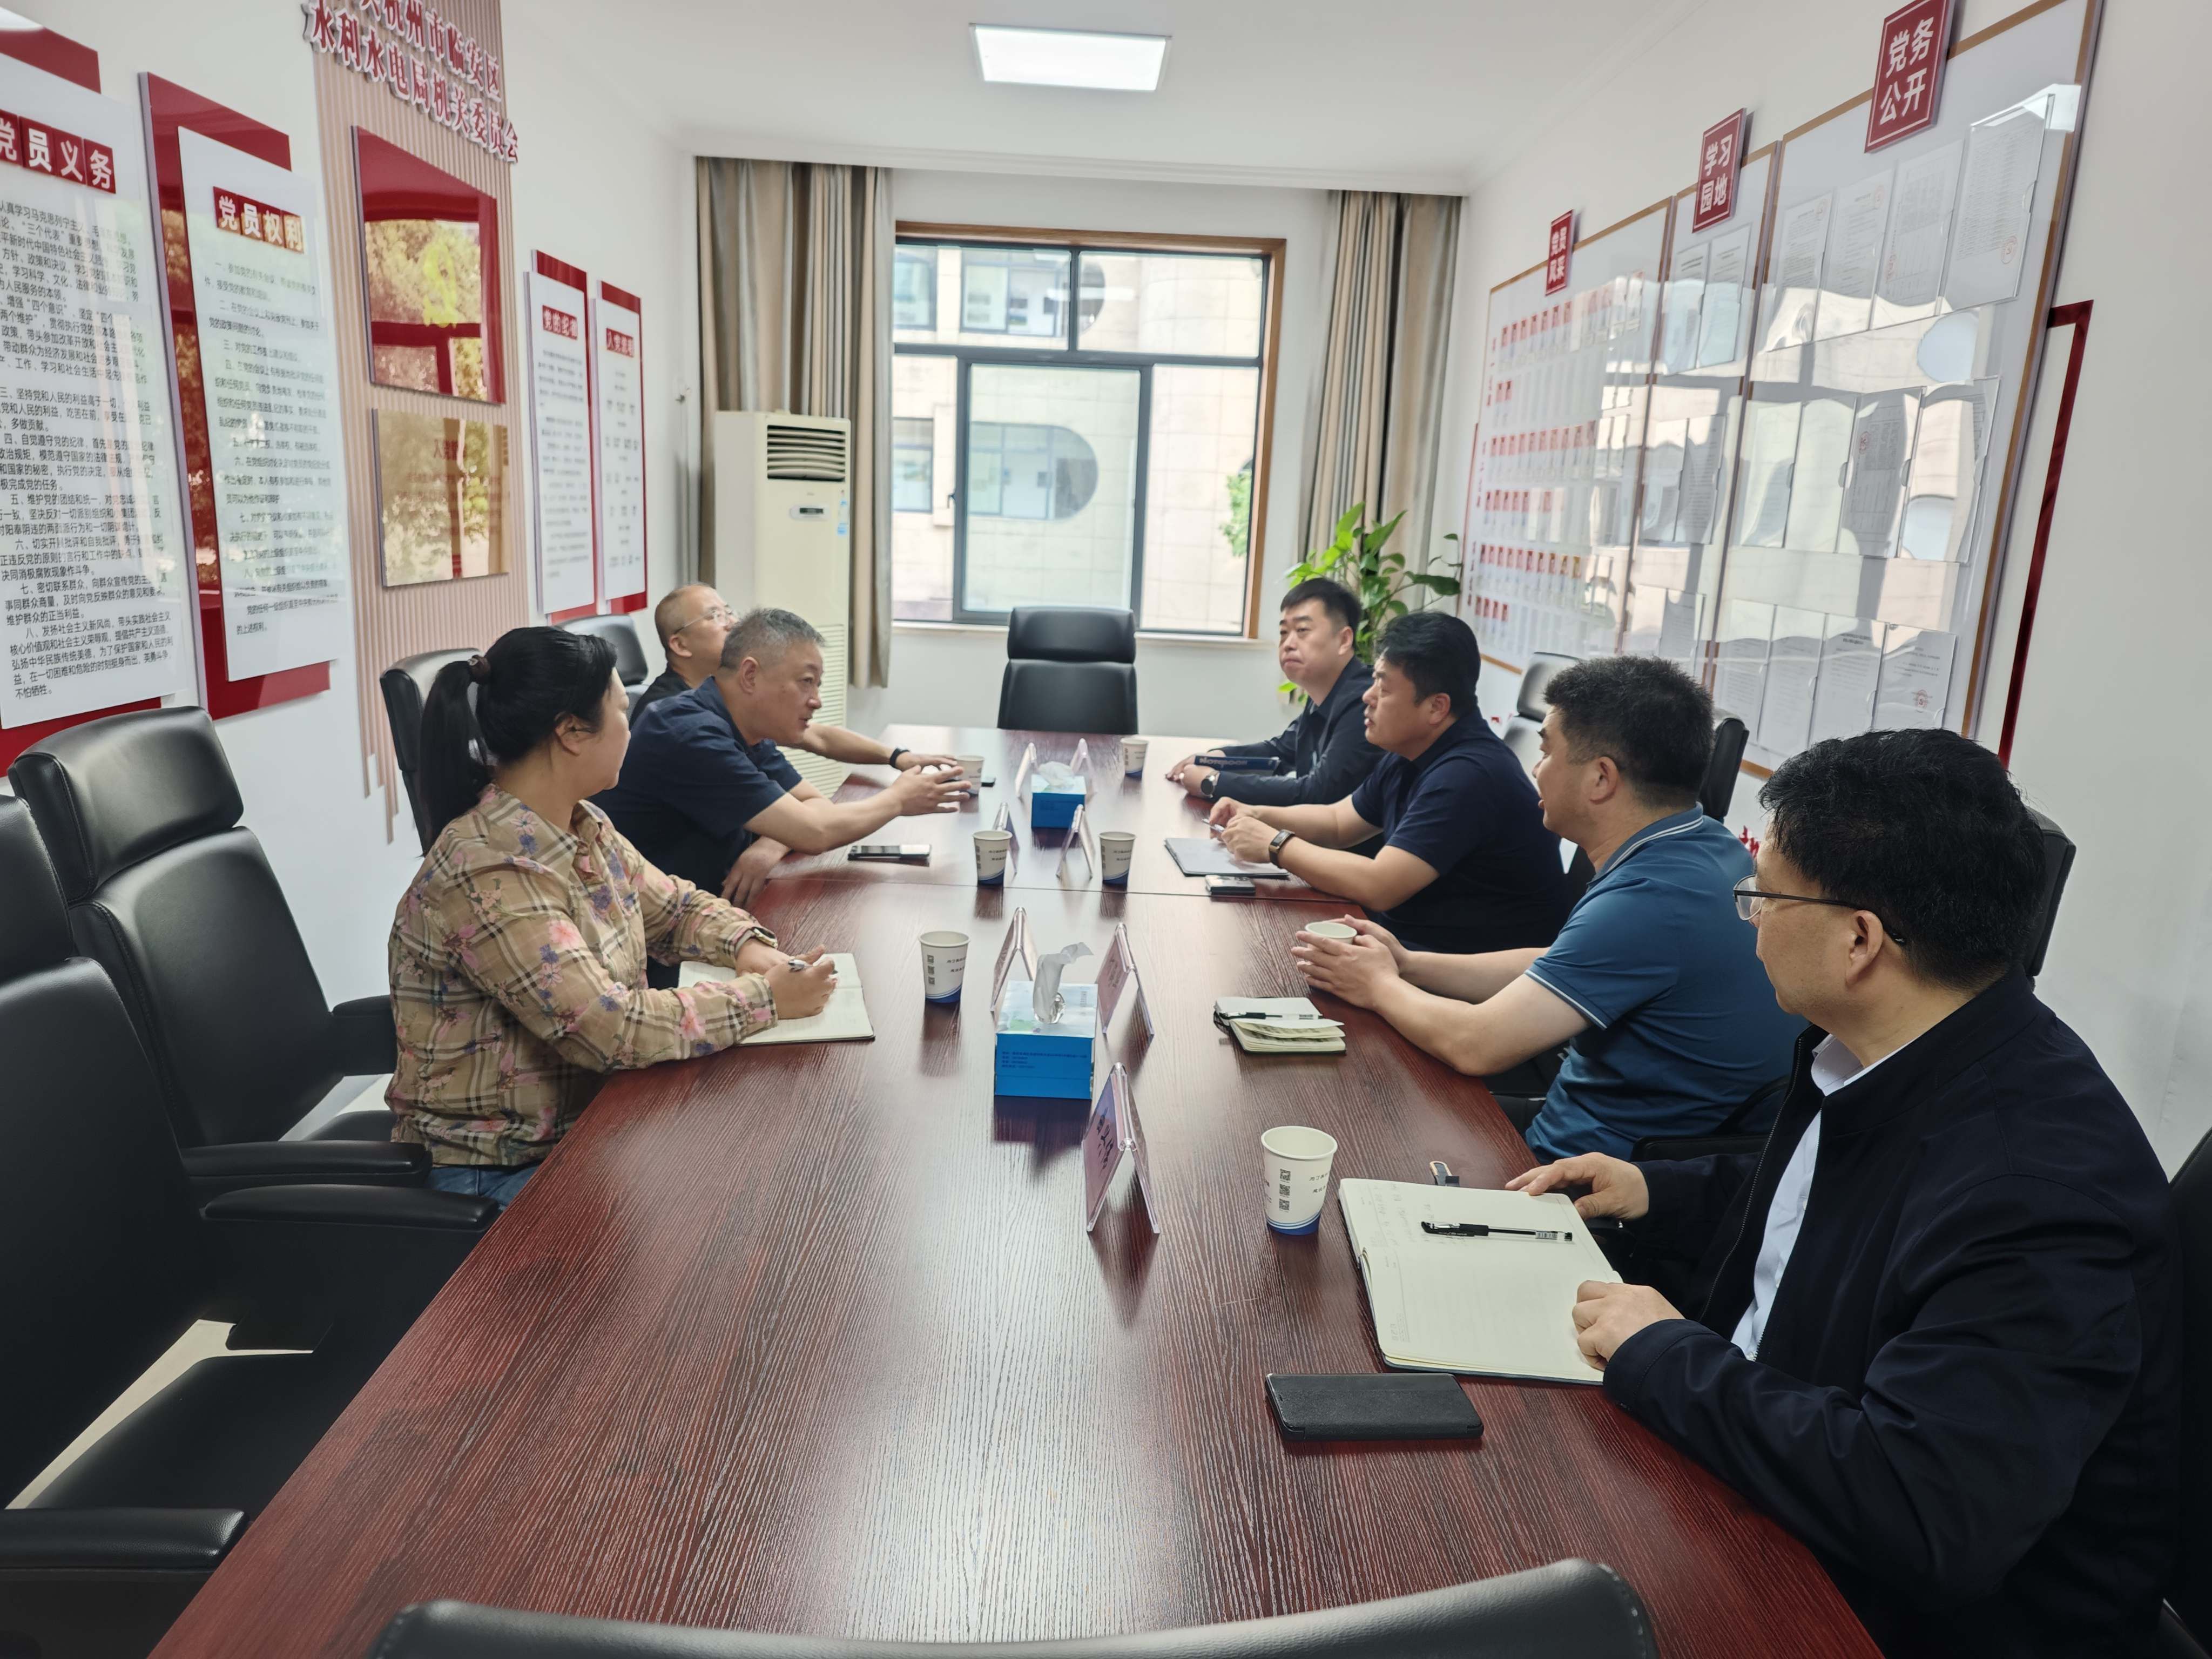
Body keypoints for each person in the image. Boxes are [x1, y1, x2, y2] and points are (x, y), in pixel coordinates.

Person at [1510, 729, 2179, 1657]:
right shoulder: (1897, 1052)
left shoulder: (2037, 1190)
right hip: (1763, 1487)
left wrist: (1664, 1355)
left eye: (1764, 895)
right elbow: (1843, 1207)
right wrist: (1658, 1190)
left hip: (1876, 1615)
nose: (1750, 919)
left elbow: (1922, 1508)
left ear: (1860, 938)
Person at [388, 626, 839, 1207]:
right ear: (571, 732)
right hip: (497, 1170)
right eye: (622, 711)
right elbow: (608, 1028)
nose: (632, 726)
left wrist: (749, 948)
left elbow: (675, 909)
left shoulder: (581, 822)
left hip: (589, 1126)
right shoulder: (489, 869)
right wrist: (767, 998)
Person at [1294, 656, 1802, 1157]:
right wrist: (1408, 964)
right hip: (1587, 1129)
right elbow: (1561, 964)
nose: (1536, 769)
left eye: (1547, 751)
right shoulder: (1703, 844)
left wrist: (1378, 985)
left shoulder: (1652, 898)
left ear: (1601, 779)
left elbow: (1476, 1044)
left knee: (1350, 1121)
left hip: (1581, 1173)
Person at [1212, 610, 1568, 954]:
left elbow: (1379, 885)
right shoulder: (1412, 751)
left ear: (1436, 708)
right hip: (1410, 948)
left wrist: (1275, 845)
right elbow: (1338, 822)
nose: (1367, 697)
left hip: (1464, 976)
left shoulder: (1469, 776)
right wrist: (1256, 813)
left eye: (1383, 688)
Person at [597, 606, 965, 908]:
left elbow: (812, 806)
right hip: (658, 933)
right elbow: (816, 831)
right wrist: (898, 799)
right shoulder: (689, 732)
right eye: (806, 681)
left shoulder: (744, 724)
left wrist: (769, 845)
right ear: (750, 675)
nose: (816, 700)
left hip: (716, 908)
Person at [1165, 577, 1381, 807]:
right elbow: (1279, 752)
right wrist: (1219, 758)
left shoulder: (1364, 700)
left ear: (1344, 640)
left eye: (1302, 630)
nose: (1288, 644)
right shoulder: (1326, 693)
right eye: (1283, 632)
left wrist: (1213, 782)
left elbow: (1318, 793)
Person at [634, 584, 737, 716]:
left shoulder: (726, 691)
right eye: (715, 615)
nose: (733, 622)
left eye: (729, 612)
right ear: (680, 645)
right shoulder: (669, 713)